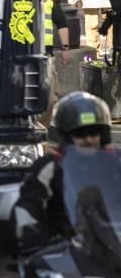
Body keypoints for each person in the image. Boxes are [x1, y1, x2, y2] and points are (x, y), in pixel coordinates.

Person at [13, 91, 114, 254]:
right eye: (80, 134)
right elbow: (28, 208)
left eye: (93, 133)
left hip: (109, 251)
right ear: (67, 136)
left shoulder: (114, 165)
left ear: (102, 134)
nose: (88, 139)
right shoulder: (50, 167)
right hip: (62, 251)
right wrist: (33, 243)